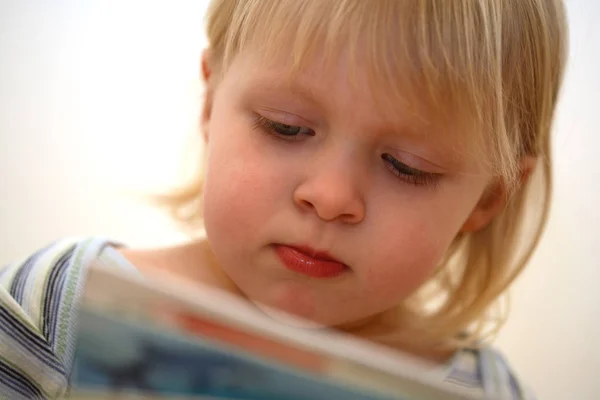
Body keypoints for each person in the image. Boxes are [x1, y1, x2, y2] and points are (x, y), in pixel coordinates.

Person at [0, 0, 567, 398]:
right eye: (285, 128)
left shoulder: (488, 393)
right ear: (210, 100)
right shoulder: (56, 310)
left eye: (406, 166)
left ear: (487, 198)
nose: (330, 197)